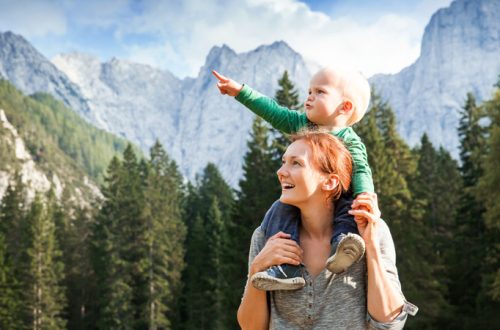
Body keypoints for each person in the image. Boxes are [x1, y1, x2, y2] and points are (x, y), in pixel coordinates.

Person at [237, 131, 417, 329]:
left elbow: (389, 324)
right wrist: (257, 269)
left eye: (296, 163)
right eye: (283, 162)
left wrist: (371, 246)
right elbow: (251, 328)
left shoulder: (371, 230)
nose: (281, 171)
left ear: (330, 182)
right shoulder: (266, 236)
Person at [213, 67, 372, 290]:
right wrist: (240, 91)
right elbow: (273, 111)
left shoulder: (350, 141)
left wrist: (365, 196)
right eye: (309, 91)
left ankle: (342, 248)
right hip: (303, 200)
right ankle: (286, 269)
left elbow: (362, 171)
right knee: (279, 212)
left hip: (338, 197)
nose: (309, 96)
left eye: (319, 92)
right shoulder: (303, 124)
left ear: (345, 107)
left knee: (349, 212)